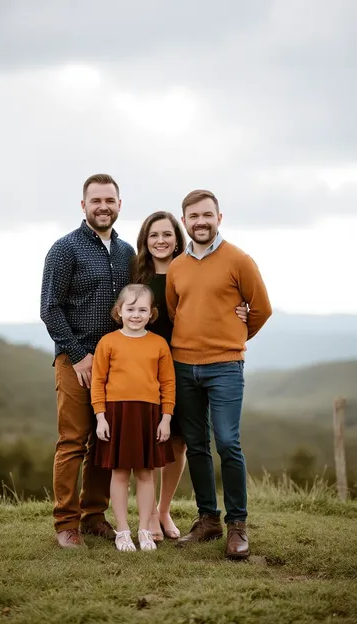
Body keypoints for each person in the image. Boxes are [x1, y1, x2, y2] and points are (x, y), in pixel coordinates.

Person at [166, 189, 272, 559]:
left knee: (227, 442)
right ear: (185, 221)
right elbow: (175, 309)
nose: (200, 221)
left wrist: (234, 337)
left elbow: (261, 309)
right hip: (183, 365)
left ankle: (237, 524)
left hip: (226, 365)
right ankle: (207, 519)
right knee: (196, 444)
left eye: (207, 215)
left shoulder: (238, 260)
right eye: (193, 216)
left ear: (219, 217)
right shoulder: (177, 266)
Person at [133, 211, 248, 542]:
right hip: (146, 367)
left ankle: (165, 510)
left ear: (177, 236)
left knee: (181, 441)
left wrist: (240, 320)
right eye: (154, 235)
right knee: (154, 440)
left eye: (167, 234)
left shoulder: (187, 267)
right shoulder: (136, 273)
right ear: (145, 239)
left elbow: (215, 305)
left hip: (183, 363)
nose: (161, 240)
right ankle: (150, 514)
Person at [40, 173, 135, 548]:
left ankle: (94, 514)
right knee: (73, 441)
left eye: (109, 200)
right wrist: (79, 357)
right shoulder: (65, 249)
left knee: (103, 441)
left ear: (119, 205)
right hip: (75, 360)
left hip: (116, 361)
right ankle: (66, 523)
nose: (103, 207)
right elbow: (50, 309)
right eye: (96, 201)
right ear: (84, 205)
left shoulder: (128, 252)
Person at [91, 284, 176, 551]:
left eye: (142, 309)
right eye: (130, 309)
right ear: (119, 311)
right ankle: (123, 531)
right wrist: (100, 417)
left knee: (146, 473)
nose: (136, 315)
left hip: (149, 415)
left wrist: (166, 418)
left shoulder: (159, 344)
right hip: (117, 414)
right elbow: (98, 381)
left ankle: (144, 531)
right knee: (118, 473)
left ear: (152, 313)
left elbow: (168, 383)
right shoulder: (108, 342)